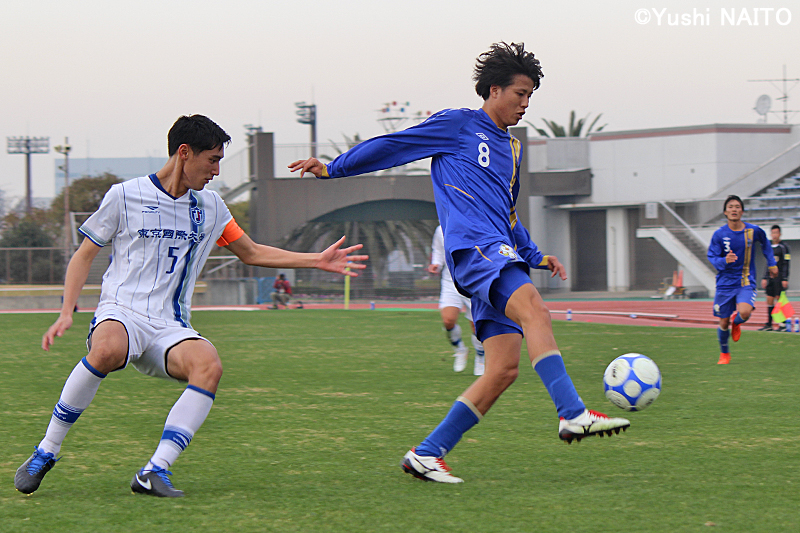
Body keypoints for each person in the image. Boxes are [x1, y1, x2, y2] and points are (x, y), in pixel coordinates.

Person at [289, 42, 630, 483]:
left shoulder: (513, 150)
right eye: (520, 94)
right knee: (536, 311)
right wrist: (333, 168)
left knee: (504, 369)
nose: (525, 105)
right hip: (475, 249)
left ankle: (427, 453)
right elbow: (393, 145)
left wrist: (534, 254)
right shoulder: (457, 124)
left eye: (531, 97)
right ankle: (572, 413)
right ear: (493, 89)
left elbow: (507, 213)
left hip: (500, 252)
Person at [15, 115, 367, 498]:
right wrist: (67, 311)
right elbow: (84, 255)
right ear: (185, 153)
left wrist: (316, 259)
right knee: (108, 348)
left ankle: (154, 470)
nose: (217, 170)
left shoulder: (212, 207)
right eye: (212, 160)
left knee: (209, 366)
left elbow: (249, 252)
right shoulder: (124, 195)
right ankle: (46, 450)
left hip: (170, 325)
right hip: (121, 312)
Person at [707, 195, 777, 364]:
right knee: (723, 321)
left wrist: (772, 263)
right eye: (730, 206)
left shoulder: (753, 231)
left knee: (745, 312)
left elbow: (766, 244)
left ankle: (737, 322)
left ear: (742, 211)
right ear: (725, 212)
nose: (734, 209)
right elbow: (712, 256)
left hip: (745, 280)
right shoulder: (719, 234)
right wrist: (724, 260)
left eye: (737, 206)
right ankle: (724, 354)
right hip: (725, 283)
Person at [428, 225, 485, 375]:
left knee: (476, 326)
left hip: (473, 282)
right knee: (448, 320)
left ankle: (481, 357)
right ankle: (460, 349)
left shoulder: (474, 224)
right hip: (450, 282)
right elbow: (438, 251)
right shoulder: (441, 228)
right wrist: (436, 264)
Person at [758, 224, 790, 331]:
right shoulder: (769, 247)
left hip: (779, 278)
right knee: (769, 299)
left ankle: (783, 324)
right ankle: (769, 324)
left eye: (776, 233)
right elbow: (768, 264)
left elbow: (786, 263)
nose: (774, 235)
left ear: (780, 234)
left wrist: (785, 278)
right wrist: (764, 277)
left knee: (779, 300)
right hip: (770, 278)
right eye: (772, 233)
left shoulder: (784, 247)